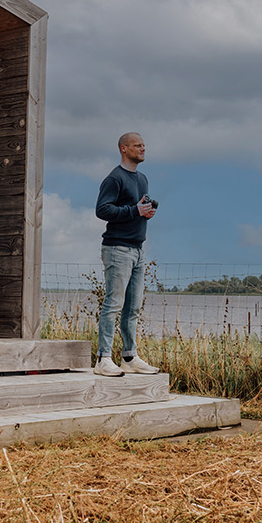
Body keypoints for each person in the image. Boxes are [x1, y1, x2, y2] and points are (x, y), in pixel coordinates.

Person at [94, 131, 159, 376]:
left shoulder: (142, 178)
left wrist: (145, 212)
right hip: (117, 248)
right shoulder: (114, 178)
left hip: (138, 250)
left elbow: (137, 208)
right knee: (113, 304)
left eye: (144, 145)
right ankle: (103, 359)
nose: (143, 148)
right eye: (137, 145)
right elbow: (102, 209)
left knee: (133, 308)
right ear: (124, 148)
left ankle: (129, 357)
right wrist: (134, 211)